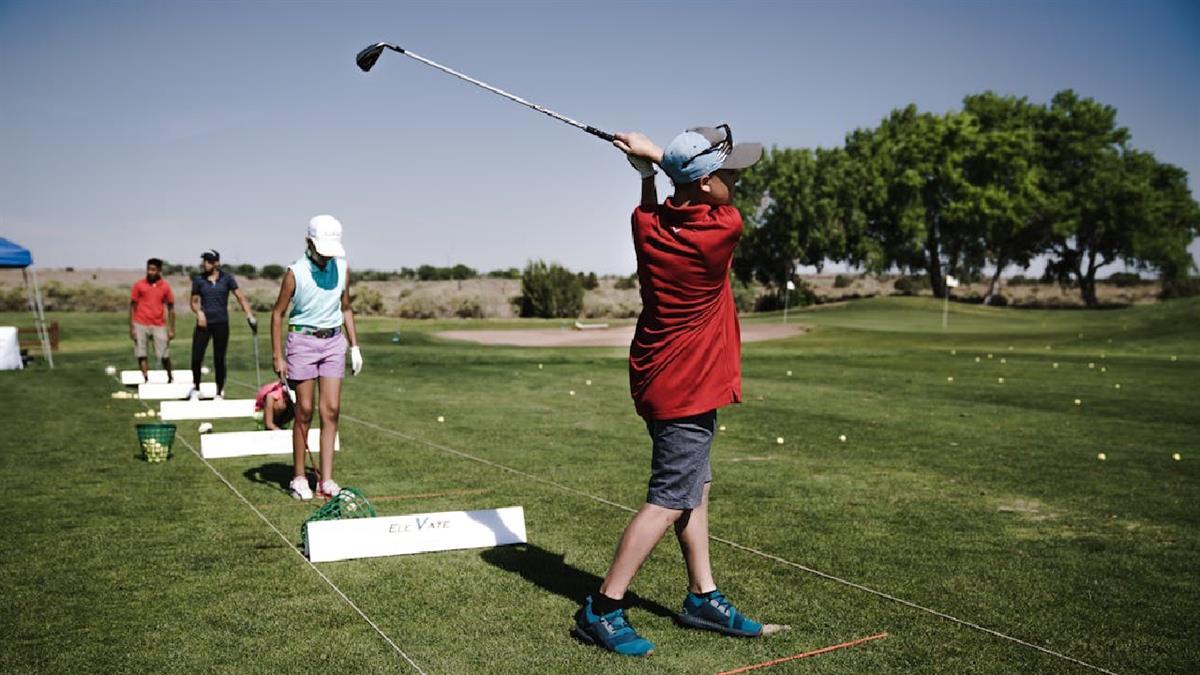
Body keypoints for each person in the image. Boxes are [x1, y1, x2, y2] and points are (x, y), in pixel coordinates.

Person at [572, 126, 766, 657]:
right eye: (726, 174)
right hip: (687, 387)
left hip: (662, 378)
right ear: (703, 184)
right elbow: (685, 190)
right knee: (667, 499)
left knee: (693, 489)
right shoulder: (722, 230)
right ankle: (603, 607)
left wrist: (646, 176)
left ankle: (702, 595)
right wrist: (653, 157)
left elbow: (654, 207)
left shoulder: (648, 225)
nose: (734, 181)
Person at [270, 215, 362, 501]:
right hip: (303, 342)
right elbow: (277, 314)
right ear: (309, 242)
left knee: (331, 409)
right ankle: (299, 477)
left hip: (334, 341)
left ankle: (327, 479)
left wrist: (354, 346)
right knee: (305, 410)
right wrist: (278, 356)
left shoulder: (342, 268)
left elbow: (345, 308)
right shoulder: (295, 272)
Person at [189, 250, 256, 399]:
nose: (205, 264)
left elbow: (240, 297)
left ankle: (219, 392)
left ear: (216, 263)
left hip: (221, 323)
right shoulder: (198, 280)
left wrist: (249, 316)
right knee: (196, 357)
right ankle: (196, 387)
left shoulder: (227, 279)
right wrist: (199, 313)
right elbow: (193, 302)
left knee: (219, 359)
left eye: (208, 261)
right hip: (203, 325)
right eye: (205, 261)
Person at [129, 258, 176, 382]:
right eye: (149, 269)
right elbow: (132, 306)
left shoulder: (165, 287)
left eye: (153, 270)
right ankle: (146, 379)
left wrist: (171, 329)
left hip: (159, 324)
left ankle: (170, 377)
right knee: (141, 353)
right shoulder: (139, 285)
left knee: (164, 355)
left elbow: (171, 307)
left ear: (159, 270)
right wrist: (132, 327)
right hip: (140, 323)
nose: (150, 272)